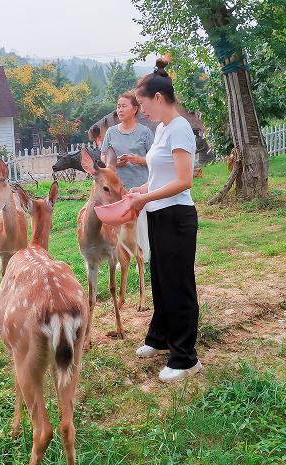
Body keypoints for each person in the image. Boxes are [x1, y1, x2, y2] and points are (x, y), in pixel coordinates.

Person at [126, 58, 202, 383]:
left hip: (177, 217)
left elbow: (185, 181)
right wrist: (142, 189)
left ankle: (185, 358)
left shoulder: (181, 128)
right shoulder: (161, 129)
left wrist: (145, 198)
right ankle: (160, 339)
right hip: (159, 214)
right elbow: (161, 175)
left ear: (158, 99)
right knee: (160, 279)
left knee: (178, 286)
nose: (141, 111)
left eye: (142, 104)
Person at [100, 92, 155, 262]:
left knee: (140, 224)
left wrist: (139, 160)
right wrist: (114, 163)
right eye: (118, 106)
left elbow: (154, 159)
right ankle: (122, 259)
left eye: (124, 106)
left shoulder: (145, 132)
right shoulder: (111, 132)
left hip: (140, 186)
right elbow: (103, 156)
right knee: (119, 224)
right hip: (117, 189)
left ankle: (142, 258)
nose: (120, 109)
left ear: (135, 109)